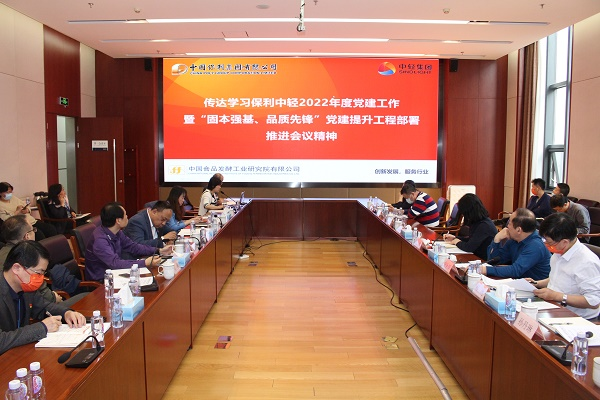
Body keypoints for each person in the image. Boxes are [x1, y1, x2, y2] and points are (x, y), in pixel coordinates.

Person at [0, 241, 86, 355]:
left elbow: (43, 307)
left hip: (20, 352)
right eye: (38, 273)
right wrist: (42, 327)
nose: (40, 279)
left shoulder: (25, 287)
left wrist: (66, 313)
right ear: (16, 268)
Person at [0, 215, 89, 307]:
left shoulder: (2, 253)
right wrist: (54, 297)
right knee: (85, 297)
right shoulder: (28, 257)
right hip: (36, 306)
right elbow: (41, 292)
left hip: (26, 304)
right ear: (27, 236)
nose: (35, 232)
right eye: (33, 229)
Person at [529, 213, 600, 319]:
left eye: (549, 242)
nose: (546, 245)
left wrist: (557, 296)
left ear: (564, 242)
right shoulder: (560, 251)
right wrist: (536, 283)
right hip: (553, 308)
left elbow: (594, 301)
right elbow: (558, 278)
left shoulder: (586, 262)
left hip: (578, 318)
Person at [85, 202, 172, 281]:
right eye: (125, 215)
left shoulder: (117, 232)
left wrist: (158, 250)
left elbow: (133, 246)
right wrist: (144, 263)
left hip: (116, 273)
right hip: (103, 280)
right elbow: (115, 263)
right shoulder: (100, 240)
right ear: (118, 221)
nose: (127, 217)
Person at [481, 208, 551, 280]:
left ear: (518, 230)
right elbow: (494, 261)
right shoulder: (514, 239)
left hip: (535, 285)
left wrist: (485, 270)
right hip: (520, 281)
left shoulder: (536, 245)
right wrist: (496, 240)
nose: (507, 226)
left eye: (509, 223)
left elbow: (516, 270)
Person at [443, 194, 497, 259]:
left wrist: (456, 242)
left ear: (469, 212)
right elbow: (472, 240)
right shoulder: (477, 221)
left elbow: (469, 247)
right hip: (476, 255)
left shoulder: (484, 225)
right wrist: (455, 238)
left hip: (483, 259)